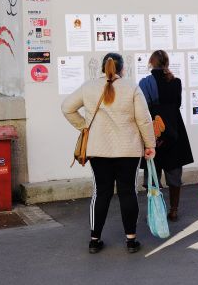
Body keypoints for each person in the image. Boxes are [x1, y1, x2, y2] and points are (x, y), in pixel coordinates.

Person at [61, 53, 156, 254]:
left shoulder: (88, 87)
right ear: (122, 69)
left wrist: (85, 127)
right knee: (128, 191)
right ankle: (131, 240)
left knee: (101, 192)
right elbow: (144, 120)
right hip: (128, 150)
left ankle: (94, 240)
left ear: (103, 68)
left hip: (98, 150)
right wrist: (150, 144)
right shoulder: (132, 87)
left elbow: (66, 107)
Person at [139, 50, 194, 222]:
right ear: (166, 63)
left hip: (153, 131)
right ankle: (174, 210)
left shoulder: (145, 83)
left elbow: (143, 107)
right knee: (174, 172)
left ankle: (156, 211)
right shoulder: (175, 81)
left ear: (151, 63)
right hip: (173, 129)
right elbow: (177, 104)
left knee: (153, 173)